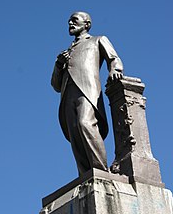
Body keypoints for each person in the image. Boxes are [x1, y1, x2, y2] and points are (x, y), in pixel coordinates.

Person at [51, 11, 123, 175]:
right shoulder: (66, 52)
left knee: (86, 123)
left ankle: (100, 169)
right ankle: (85, 174)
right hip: (68, 94)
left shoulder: (98, 40)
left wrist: (115, 70)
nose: (70, 23)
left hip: (88, 91)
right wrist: (58, 64)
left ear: (87, 24)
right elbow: (55, 85)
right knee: (75, 132)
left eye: (74, 20)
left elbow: (114, 58)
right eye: (69, 21)